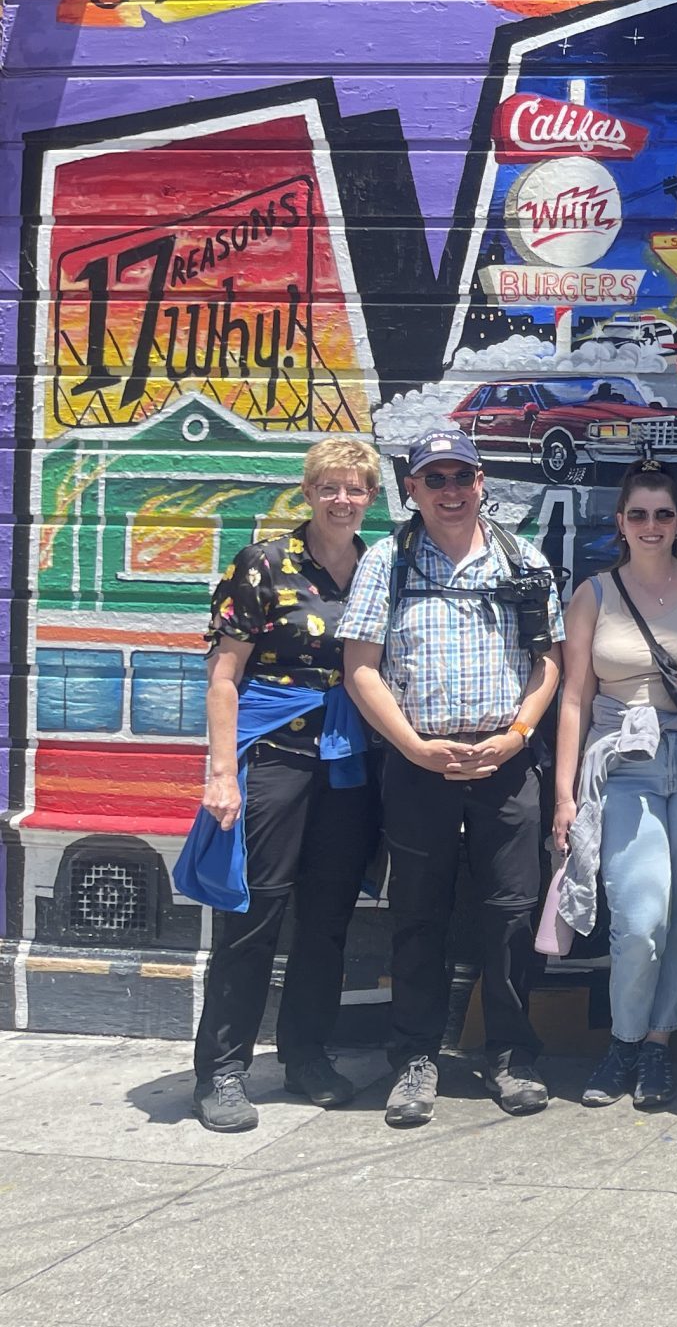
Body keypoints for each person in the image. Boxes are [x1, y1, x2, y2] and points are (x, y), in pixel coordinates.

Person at [340, 429, 564, 1128]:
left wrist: (517, 735)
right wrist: (413, 747)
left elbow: (549, 661)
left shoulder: (523, 558)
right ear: (411, 488)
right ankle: (415, 1058)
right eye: (434, 479)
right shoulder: (388, 560)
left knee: (512, 913)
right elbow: (360, 667)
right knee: (418, 915)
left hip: (507, 763)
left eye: (461, 476)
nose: (450, 491)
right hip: (417, 765)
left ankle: (511, 1055)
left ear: (481, 480)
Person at [189, 439, 385, 1133]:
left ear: (371, 497)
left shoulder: (378, 566)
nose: (342, 499)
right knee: (255, 914)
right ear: (308, 492)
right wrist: (221, 773)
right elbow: (223, 676)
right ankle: (221, 1071)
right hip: (274, 756)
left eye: (355, 488)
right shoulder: (263, 564)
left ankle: (305, 1055)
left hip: (348, 762)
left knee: (328, 919)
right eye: (329, 487)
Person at [552, 467, 677, 1110]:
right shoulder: (594, 594)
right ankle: (624, 1040)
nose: (651, 526)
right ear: (620, 523)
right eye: (638, 515)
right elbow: (573, 699)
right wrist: (566, 796)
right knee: (639, 917)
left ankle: (658, 1042)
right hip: (623, 764)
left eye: (663, 514)